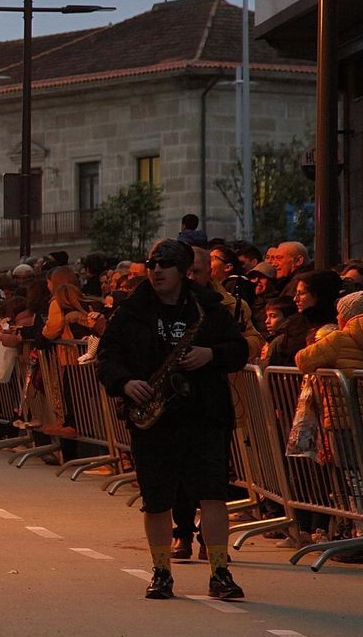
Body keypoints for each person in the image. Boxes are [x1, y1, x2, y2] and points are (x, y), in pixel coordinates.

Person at [96, 239, 249, 602]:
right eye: (152, 264)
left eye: (165, 264)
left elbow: (240, 350)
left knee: (212, 495)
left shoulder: (208, 309)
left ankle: (220, 572)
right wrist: (125, 382)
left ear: (183, 271)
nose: (156, 270)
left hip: (204, 415)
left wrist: (211, 354)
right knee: (157, 499)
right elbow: (107, 355)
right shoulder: (132, 311)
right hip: (154, 419)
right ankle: (161, 572)